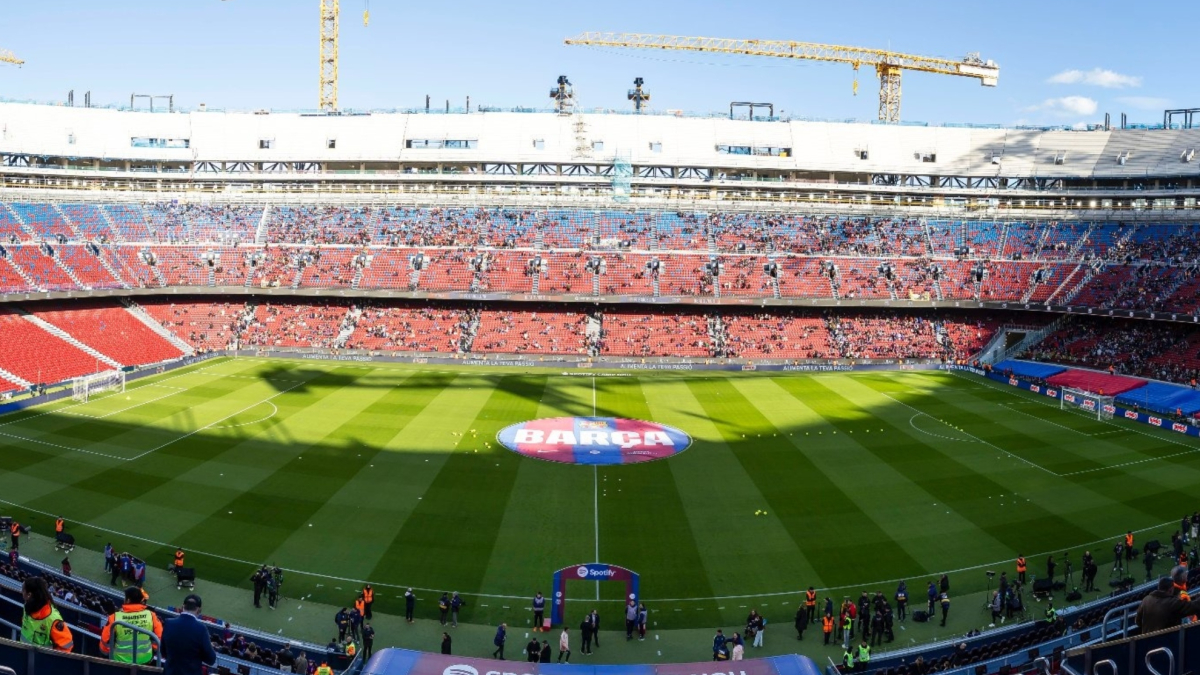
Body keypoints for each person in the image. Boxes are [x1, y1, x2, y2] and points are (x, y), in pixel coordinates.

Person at [101, 586, 163, 665]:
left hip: (120, 661)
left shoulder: (114, 617)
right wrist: (154, 649)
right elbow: (159, 637)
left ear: (128, 600)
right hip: (145, 660)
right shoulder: (151, 615)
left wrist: (107, 653)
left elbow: (105, 642)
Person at [160, 594, 216, 675]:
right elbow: (211, 660)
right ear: (199, 610)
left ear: (183, 607)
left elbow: (163, 652)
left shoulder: (169, 623)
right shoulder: (201, 628)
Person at [20, 577, 73, 653]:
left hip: (41, 662)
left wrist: (49, 660)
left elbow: (67, 646)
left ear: (29, 594)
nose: (21, 592)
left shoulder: (52, 619)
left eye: (23, 590)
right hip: (23, 655)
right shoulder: (27, 607)